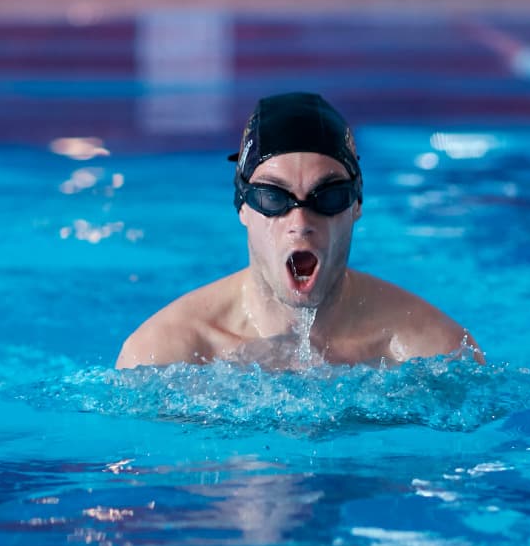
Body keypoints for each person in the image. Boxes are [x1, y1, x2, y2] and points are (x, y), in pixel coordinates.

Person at [116, 92, 481, 369]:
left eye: (329, 196)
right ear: (243, 205)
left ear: (356, 205)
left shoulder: (435, 350)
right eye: (273, 198)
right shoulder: (164, 352)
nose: (301, 224)